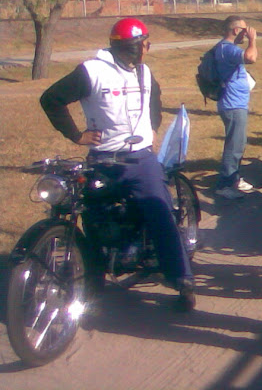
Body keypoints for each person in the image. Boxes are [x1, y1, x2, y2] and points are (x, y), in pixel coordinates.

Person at [39, 18, 196, 311]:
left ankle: (182, 279)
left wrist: (149, 131)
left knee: (160, 212)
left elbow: (154, 103)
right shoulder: (92, 71)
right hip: (102, 160)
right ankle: (94, 277)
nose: (148, 48)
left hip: (140, 159)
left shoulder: (145, 73)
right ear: (134, 47)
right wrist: (76, 135)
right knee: (92, 217)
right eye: (145, 43)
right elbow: (51, 99)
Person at [214, 15, 259, 200]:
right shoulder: (227, 49)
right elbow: (251, 57)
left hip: (236, 103)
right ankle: (224, 185)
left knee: (238, 144)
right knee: (234, 146)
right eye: (243, 29)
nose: (246, 32)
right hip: (232, 105)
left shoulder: (227, 48)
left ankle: (234, 178)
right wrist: (253, 40)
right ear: (235, 30)